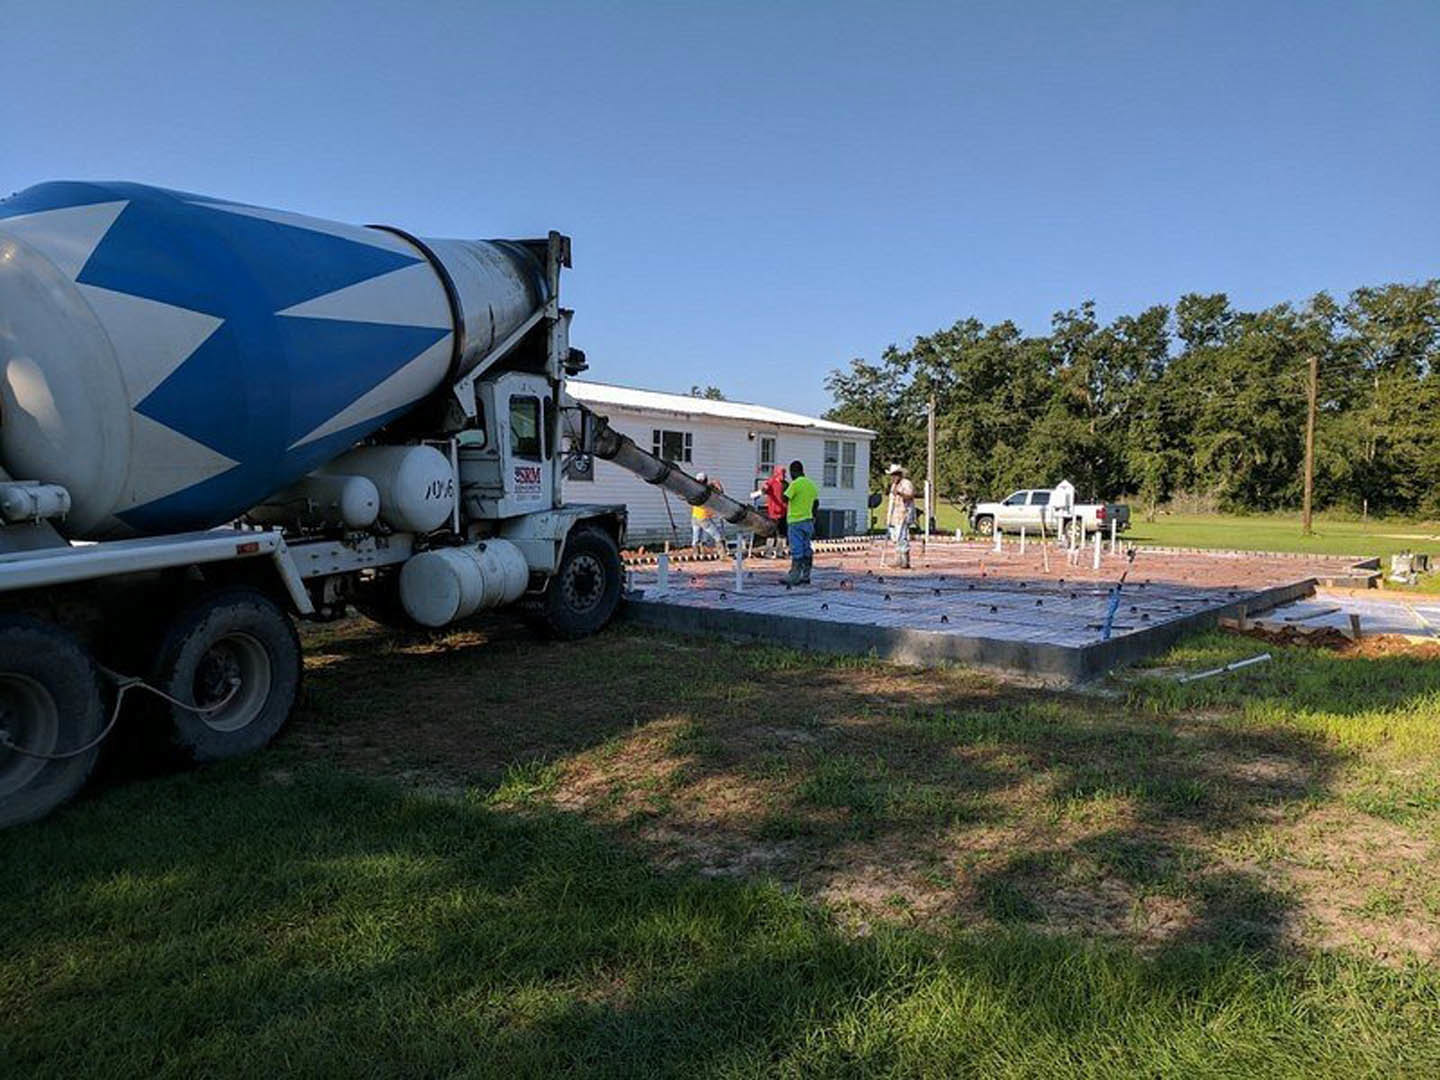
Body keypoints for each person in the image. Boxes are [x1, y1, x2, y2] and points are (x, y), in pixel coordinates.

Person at [782, 459, 818, 585]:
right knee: (806, 548)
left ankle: (794, 577)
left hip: (795, 521)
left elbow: (785, 498)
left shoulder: (795, 484)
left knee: (797, 549)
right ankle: (806, 576)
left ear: (793, 471)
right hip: (808, 521)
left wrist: (784, 487)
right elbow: (816, 503)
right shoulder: (811, 484)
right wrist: (813, 517)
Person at [750, 464, 788, 557]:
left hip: (783, 512)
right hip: (773, 513)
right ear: (776, 473)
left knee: (782, 534)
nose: (782, 475)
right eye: (781, 473)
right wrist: (758, 493)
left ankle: (779, 552)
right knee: (771, 534)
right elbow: (765, 488)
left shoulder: (786, 484)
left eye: (783, 473)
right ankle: (768, 552)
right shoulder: (771, 482)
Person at [886, 463, 916, 568]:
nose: (893, 477)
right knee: (895, 538)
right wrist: (888, 517)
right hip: (894, 515)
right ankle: (898, 559)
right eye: (892, 475)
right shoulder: (893, 486)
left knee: (902, 537)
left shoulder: (906, 483)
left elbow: (910, 495)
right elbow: (891, 501)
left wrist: (899, 493)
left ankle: (905, 561)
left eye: (895, 475)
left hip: (904, 514)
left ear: (900, 475)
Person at [690, 471, 725, 553]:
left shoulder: (694, 489)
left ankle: (697, 554)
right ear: (705, 480)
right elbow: (721, 493)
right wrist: (717, 484)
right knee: (717, 536)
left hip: (694, 517)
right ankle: (722, 553)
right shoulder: (707, 491)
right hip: (704, 517)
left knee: (696, 539)